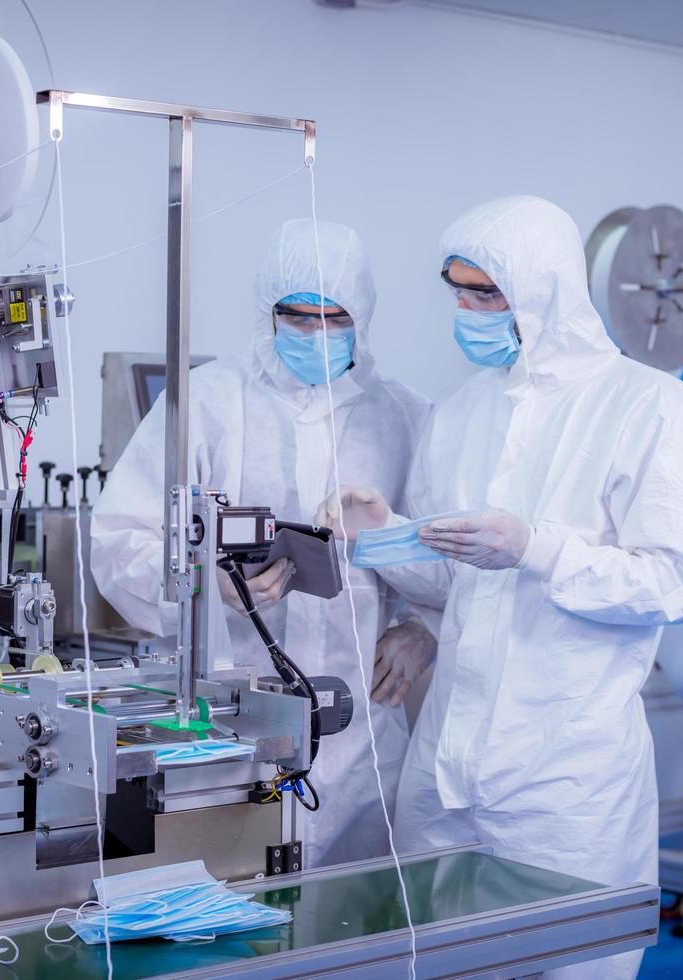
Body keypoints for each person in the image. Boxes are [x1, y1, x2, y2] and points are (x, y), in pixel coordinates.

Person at [319, 196, 683, 978]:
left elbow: (669, 583)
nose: (466, 312)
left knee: (570, 963)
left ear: (547, 290)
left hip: (566, 783)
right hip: (446, 771)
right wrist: (383, 533)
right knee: (437, 963)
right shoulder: (463, 412)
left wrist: (539, 549)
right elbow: (449, 582)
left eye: (485, 294)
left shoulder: (648, 405)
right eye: (457, 292)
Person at [91, 218, 434, 867]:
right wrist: (207, 584)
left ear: (362, 315)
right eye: (296, 317)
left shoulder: (406, 419)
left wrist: (422, 632)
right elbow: (117, 543)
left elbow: (444, 562)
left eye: (332, 318)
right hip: (228, 739)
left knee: (356, 939)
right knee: (236, 945)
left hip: (364, 749)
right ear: (266, 311)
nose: (313, 334)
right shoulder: (204, 405)